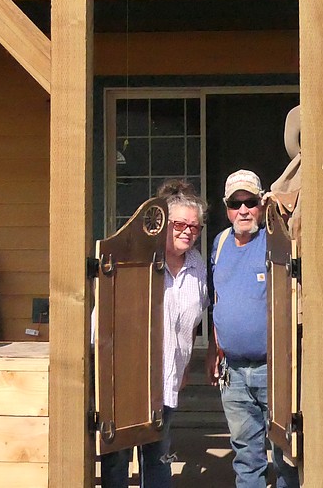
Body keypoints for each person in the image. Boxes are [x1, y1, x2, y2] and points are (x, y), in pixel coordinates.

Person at [101, 179, 209, 488]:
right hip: (127, 381)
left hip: (169, 380)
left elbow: (191, 321)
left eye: (195, 227)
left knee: (158, 456)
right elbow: (102, 322)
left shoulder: (198, 264)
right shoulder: (135, 261)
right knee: (118, 459)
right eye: (180, 225)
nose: (188, 231)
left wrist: (185, 367)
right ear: (163, 224)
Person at [207, 169, 298, 488]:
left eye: (250, 202)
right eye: (235, 203)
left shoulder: (278, 241)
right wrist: (213, 350)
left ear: (262, 203)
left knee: (285, 452)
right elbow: (217, 301)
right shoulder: (218, 244)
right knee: (246, 453)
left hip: (273, 370)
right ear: (226, 206)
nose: (243, 210)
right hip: (232, 372)